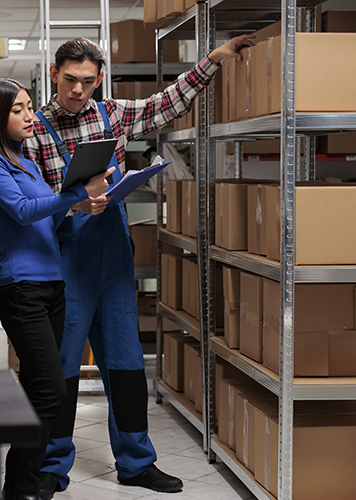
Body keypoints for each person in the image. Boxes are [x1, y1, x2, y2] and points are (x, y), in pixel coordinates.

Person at [23, 35, 255, 496]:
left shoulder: (114, 114)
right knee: (63, 368)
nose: (78, 90)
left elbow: (169, 103)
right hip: (64, 260)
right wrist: (72, 205)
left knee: (127, 366)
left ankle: (135, 462)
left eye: (88, 81)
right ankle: (53, 465)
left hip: (113, 261)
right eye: (70, 80)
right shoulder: (35, 128)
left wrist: (211, 60)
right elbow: (30, 202)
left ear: (99, 79)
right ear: (54, 74)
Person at [0, 78, 113, 500]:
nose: (30, 116)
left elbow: (46, 220)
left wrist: (79, 205)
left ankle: (20, 486)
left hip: (52, 287)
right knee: (50, 388)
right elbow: (20, 213)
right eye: (19, 109)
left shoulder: (27, 162)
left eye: (31, 107)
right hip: (21, 289)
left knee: (42, 389)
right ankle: (22, 486)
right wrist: (73, 193)